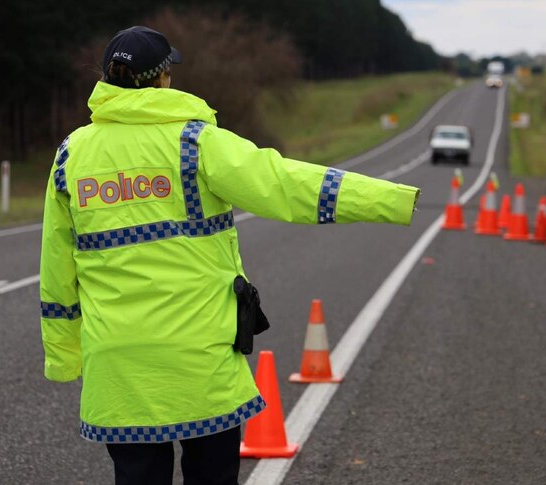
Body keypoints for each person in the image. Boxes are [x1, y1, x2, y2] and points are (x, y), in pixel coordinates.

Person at [38, 26, 420, 485]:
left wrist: (64, 358)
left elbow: (57, 273)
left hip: (119, 373)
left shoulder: (70, 157)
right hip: (201, 365)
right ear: (163, 80)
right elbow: (286, 185)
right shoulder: (196, 143)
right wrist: (391, 200)